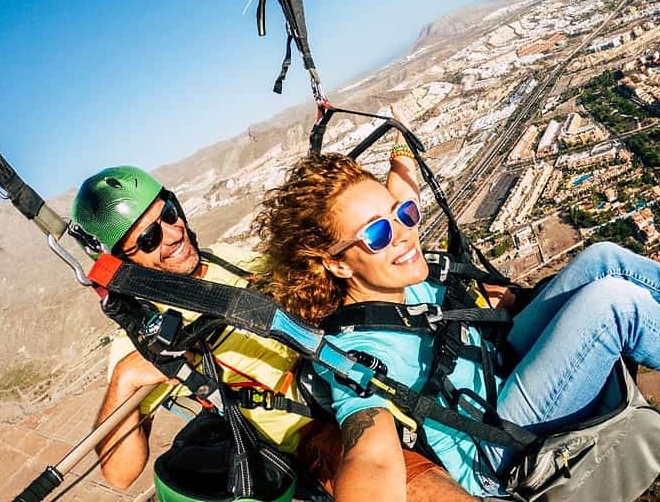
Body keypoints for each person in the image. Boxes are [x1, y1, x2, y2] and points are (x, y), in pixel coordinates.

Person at [256, 153, 660, 501]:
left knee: (601, 258)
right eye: (377, 235)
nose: (404, 234)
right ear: (332, 262)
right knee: (611, 303)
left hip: (498, 363)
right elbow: (372, 458)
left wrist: (389, 176)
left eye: (403, 218)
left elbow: (401, 186)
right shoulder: (355, 350)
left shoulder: (393, 276)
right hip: (498, 443)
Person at [72, 162, 476, 501]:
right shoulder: (145, 336)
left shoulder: (229, 260)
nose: (173, 234)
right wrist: (127, 378)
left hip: (354, 360)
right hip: (316, 427)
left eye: (169, 214)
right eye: (148, 238)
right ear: (122, 262)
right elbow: (121, 474)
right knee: (414, 482)